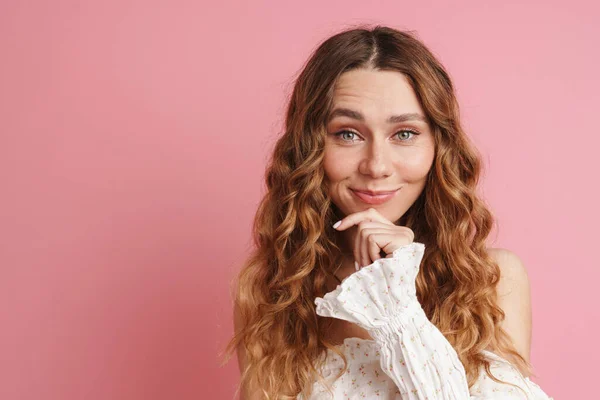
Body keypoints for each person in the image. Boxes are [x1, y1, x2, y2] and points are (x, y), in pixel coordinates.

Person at [222, 25, 554, 399]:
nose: (376, 166)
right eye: (348, 133)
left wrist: (395, 295)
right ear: (310, 147)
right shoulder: (271, 289)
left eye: (405, 134)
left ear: (438, 147)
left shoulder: (492, 279)